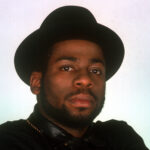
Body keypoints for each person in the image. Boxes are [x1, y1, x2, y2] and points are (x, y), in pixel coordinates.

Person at [0, 5, 148, 150]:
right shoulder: (8, 140)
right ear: (37, 82)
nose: (85, 79)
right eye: (67, 68)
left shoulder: (120, 137)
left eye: (96, 71)